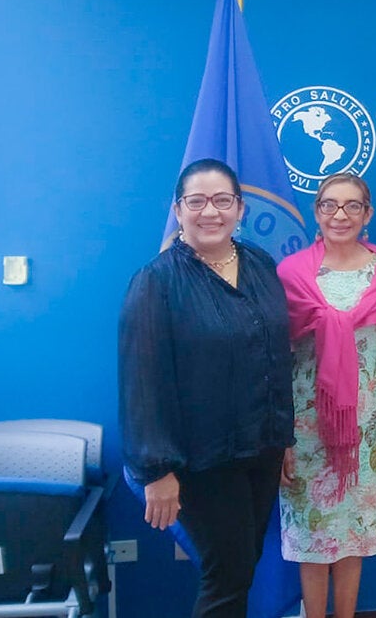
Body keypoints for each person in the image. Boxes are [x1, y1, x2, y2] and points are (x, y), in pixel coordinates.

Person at [118, 158, 294, 618]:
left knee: (243, 564)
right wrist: (156, 471)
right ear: (178, 210)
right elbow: (141, 382)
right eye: (196, 201)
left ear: (240, 208)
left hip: (260, 447)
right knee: (227, 574)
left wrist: (284, 436)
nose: (209, 211)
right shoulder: (156, 282)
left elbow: (276, 355)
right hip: (202, 459)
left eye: (221, 200)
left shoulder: (259, 263)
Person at [277, 174, 376, 618]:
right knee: (313, 537)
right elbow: (278, 361)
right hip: (306, 424)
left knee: (353, 532)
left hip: (365, 421)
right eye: (329, 205)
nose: (340, 215)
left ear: (368, 214)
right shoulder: (291, 273)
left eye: (352, 206)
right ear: (316, 212)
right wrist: (281, 436)